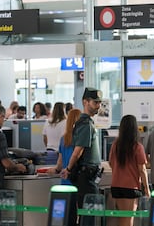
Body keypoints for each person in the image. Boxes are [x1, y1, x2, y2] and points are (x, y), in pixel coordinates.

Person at [59, 87, 103, 223]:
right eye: (95, 103)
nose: (98, 106)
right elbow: (77, 152)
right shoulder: (85, 124)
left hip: (88, 175)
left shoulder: (85, 123)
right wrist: (69, 169)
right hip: (86, 177)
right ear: (85, 102)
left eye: (99, 103)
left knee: (87, 214)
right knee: (89, 216)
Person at [109, 115, 150, 226]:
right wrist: (147, 188)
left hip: (116, 186)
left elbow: (111, 163)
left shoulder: (115, 145)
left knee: (122, 219)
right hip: (131, 187)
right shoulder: (137, 147)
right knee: (128, 220)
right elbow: (142, 170)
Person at [47, 108, 82, 185]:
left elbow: (60, 163)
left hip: (65, 179)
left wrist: (55, 170)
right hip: (76, 179)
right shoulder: (81, 138)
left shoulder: (63, 138)